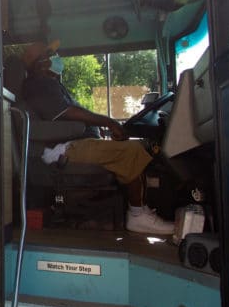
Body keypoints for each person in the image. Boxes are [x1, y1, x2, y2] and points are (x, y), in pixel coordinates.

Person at [20, 39, 174, 236]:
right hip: (64, 148)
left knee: (131, 146)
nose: (57, 58)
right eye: (51, 55)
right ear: (41, 64)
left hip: (73, 144)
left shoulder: (49, 84)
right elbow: (68, 113)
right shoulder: (39, 85)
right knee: (133, 150)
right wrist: (109, 122)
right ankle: (138, 215)